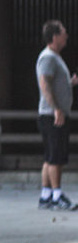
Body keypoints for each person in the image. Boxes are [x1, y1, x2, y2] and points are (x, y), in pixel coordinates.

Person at [36, 20, 78, 210]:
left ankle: (45, 196)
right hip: (52, 114)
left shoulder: (54, 57)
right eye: (63, 32)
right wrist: (56, 109)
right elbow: (44, 83)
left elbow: (55, 85)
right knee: (57, 157)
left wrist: (70, 83)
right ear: (54, 36)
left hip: (51, 113)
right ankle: (57, 195)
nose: (66, 36)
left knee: (50, 156)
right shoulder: (48, 58)